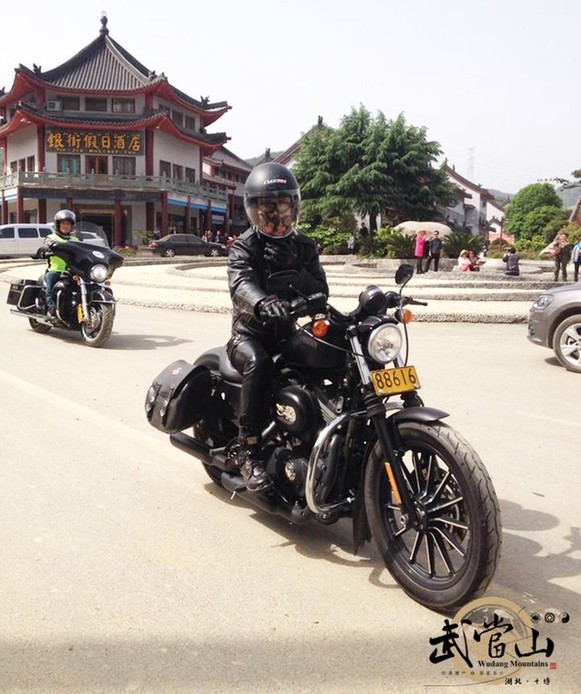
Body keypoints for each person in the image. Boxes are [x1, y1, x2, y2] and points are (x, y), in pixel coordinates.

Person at [227, 163, 329, 492]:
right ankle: (249, 451)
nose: (276, 215)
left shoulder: (304, 246)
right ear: (254, 211)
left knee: (328, 356)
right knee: (259, 363)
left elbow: (320, 290)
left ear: (293, 207)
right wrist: (260, 303)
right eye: (268, 207)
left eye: (282, 206)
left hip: (287, 333)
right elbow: (240, 282)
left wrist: (304, 288)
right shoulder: (245, 246)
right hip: (249, 336)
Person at [39, 210, 81, 316]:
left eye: (68, 224)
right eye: (63, 223)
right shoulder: (51, 237)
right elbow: (45, 247)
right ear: (58, 224)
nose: (65, 226)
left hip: (71, 272)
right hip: (55, 270)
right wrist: (46, 249)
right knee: (50, 285)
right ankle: (51, 308)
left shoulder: (75, 239)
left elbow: (82, 253)